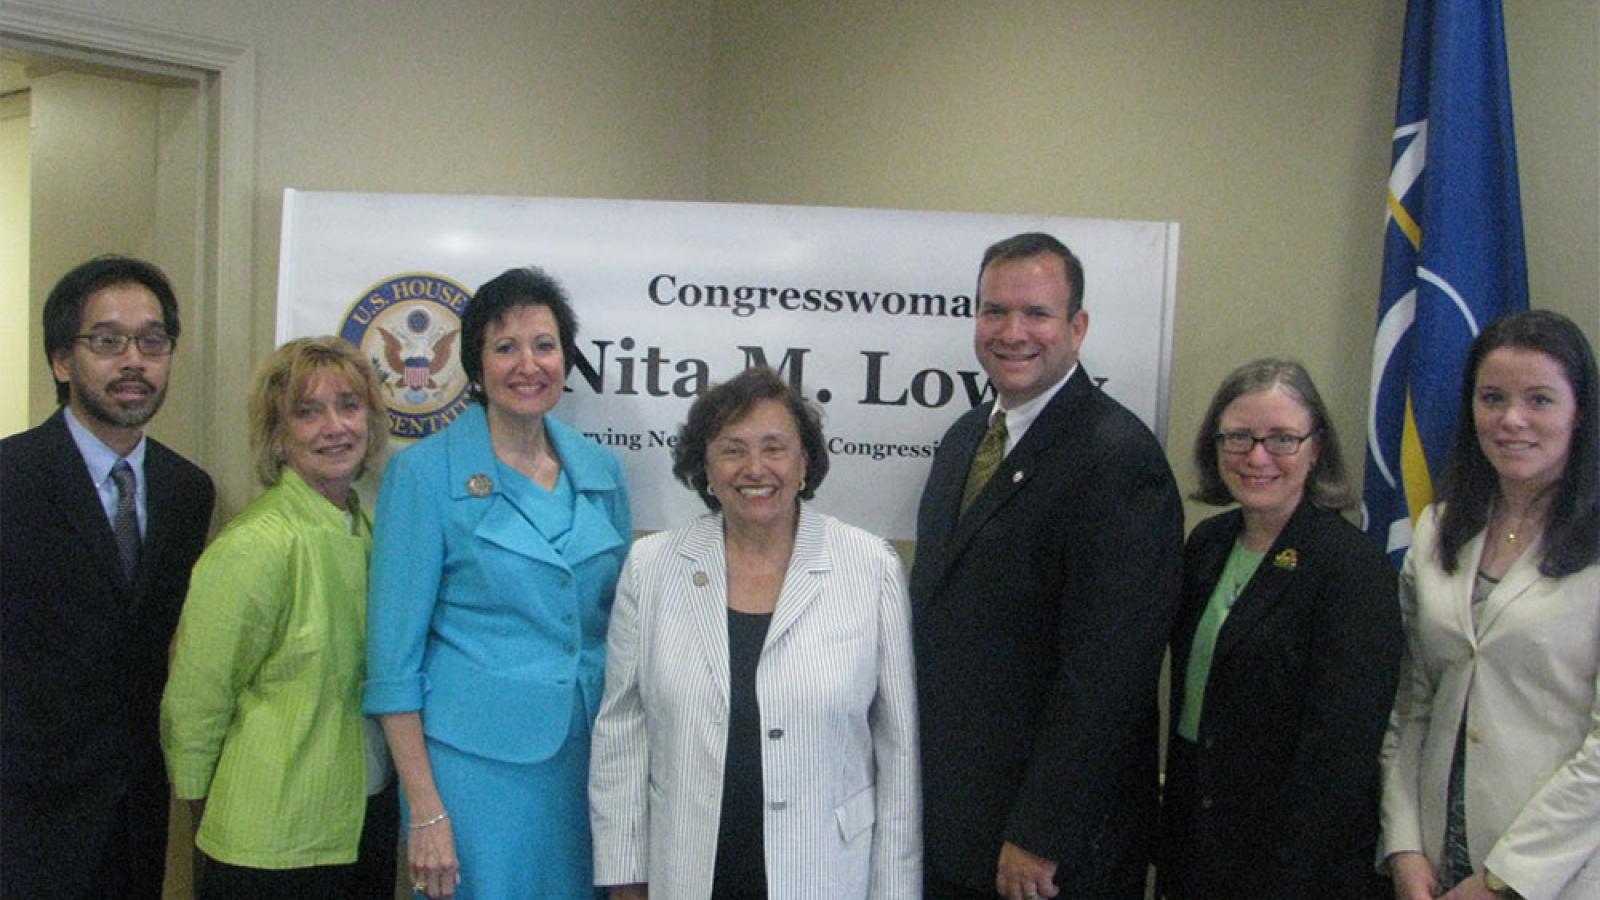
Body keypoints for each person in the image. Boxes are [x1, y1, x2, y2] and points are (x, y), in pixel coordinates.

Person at [911, 232, 1184, 900]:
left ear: (1077, 326)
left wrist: (1042, 832)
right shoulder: (963, 439)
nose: (1012, 332)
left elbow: (1108, 675)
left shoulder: (1119, 459)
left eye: (1035, 313)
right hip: (951, 822)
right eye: (994, 311)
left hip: (1042, 852)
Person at [589, 365, 920, 899]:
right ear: (706, 469)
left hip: (825, 872)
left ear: (805, 461)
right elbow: (622, 733)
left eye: (775, 447)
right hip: (688, 869)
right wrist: (625, 878)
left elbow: (897, 754)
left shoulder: (869, 567)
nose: (755, 468)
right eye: (732, 449)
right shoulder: (651, 567)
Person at [364, 266, 631, 899]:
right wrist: (425, 811)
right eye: (505, 347)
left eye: (544, 345)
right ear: (476, 366)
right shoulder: (424, 477)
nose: (527, 364)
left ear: (565, 358)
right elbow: (391, 663)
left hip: (589, 766)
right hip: (472, 775)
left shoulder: (600, 471)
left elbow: (619, 624)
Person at [0, 255, 216, 898]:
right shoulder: (10, 479)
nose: (134, 361)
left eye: (153, 341)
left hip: (138, 812)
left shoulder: (187, 491)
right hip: (22, 814)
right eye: (107, 340)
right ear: (63, 361)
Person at [160, 336, 397, 898]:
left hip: (362, 824)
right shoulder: (256, 544)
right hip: (269, 843)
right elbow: (196, 700)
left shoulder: (366, 531)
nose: (334, 427)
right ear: (277, 433)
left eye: (348, 405)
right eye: (308, 411)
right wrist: (201, 826)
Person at [1158, 359, 1400, 899]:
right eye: (1239, 437)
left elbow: (1340, 758)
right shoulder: (1207, 546)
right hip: (1197, 841)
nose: (1257, 457)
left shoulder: (1350, 568)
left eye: (1282, 439)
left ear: (1316, 449)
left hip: (1293, 864)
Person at [1380, 310, 1600, 900]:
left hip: (1558, 872)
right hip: (1434, 861)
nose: (1512, 420)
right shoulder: (1436, 532)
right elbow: (1412, 704)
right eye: (1492, 398)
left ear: (1580, 413)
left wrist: (1502, 880)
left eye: (1540, 400)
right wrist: (1403, 846)